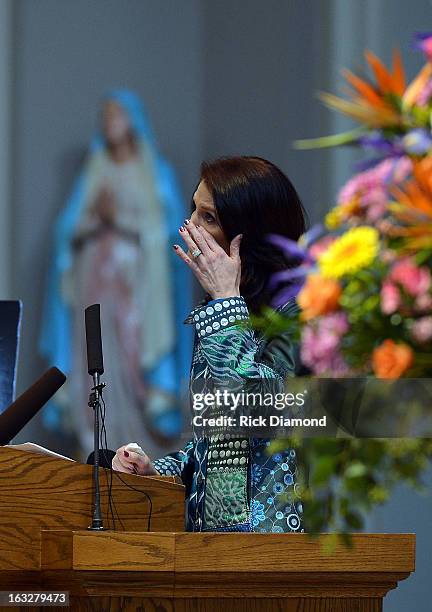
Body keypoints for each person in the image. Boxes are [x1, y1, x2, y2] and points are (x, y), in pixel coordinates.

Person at [112, 156, 308, 533]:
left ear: (249, 235)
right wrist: (157, 469)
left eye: (209, 218)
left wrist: (225, 303)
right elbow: (222, 445)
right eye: (193, 211)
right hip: (214, 549)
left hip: (277, 550)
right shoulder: (230, 309)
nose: (190, 229)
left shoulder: (304, 313)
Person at [39, 90, 192, 458]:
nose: (110, 123)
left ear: (133, 121)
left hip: (136, 287)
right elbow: (67, 231)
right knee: (92, 354)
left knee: (128, 354)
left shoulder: (155, 173)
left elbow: (171, 232)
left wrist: (120, 220)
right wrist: (94, 219)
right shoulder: (95, 168)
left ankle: (134, 441)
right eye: (105, 116)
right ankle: (94, 444)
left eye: (117, 115)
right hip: (95, 281)